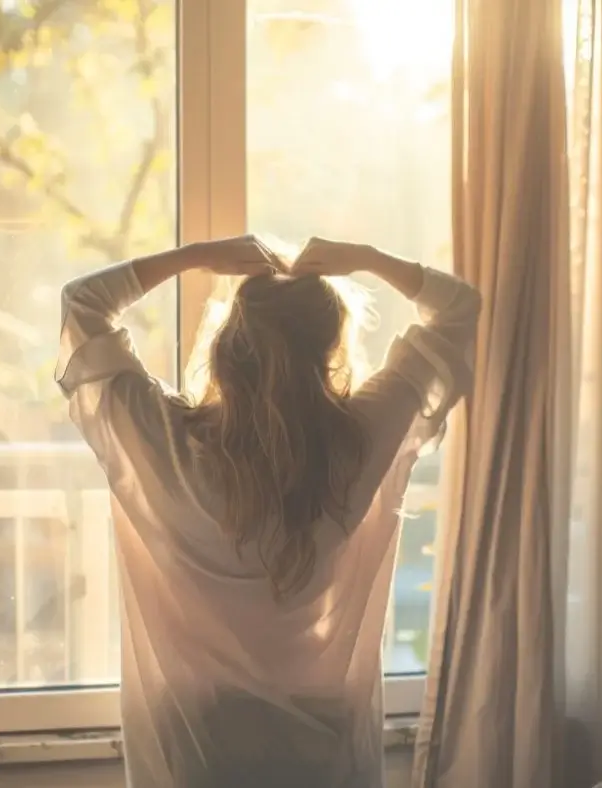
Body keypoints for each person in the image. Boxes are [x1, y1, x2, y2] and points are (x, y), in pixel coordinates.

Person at [55, 236, 481, 788]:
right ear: (329, 352)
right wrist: (369, 260)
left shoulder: (168, 444)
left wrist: (197, 257)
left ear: (226, 350)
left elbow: (82, 305)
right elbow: (458, 307)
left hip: (198, 735)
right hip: (324, 737)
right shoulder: (355, 445)